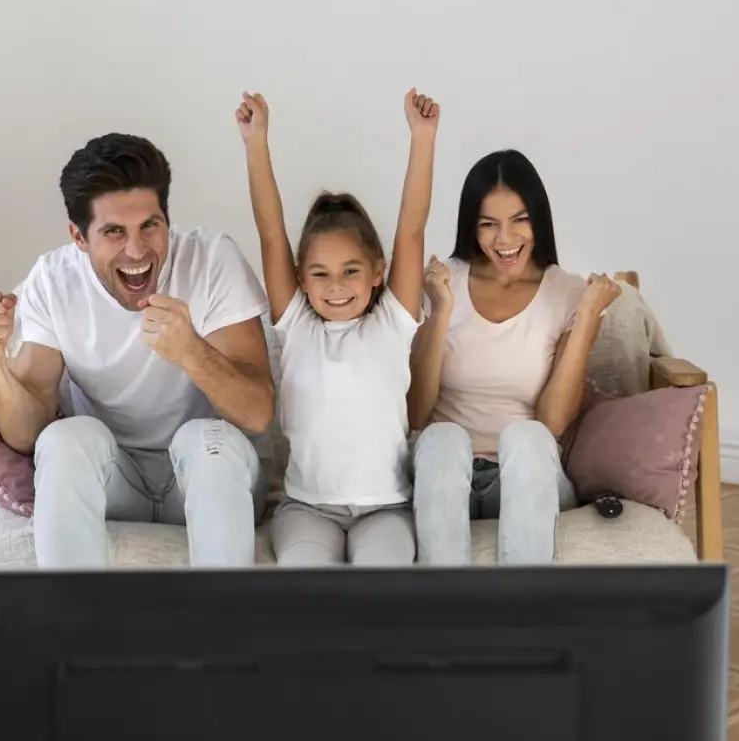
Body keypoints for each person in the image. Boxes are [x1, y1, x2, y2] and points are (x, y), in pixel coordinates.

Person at [0, 133, 275, 568]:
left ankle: (218, 629)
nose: (137, 250)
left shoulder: (211, 260)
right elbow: (27, 433)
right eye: (113, 232)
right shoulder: (54, 280)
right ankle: (78, 626)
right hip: (115, 481)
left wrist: (192, 353)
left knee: (208, 439)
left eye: (150, 225)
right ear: (79, 236)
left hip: (209, 476)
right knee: (64, 438)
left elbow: (258, 412)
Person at [234, 88, 439, 566]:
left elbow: (412, 228)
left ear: (378, 272)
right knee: (310, 591)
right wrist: (256, 142)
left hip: (386, 510)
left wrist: (423, 138)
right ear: (301, 280)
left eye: (351, 270)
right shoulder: (298, 326)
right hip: (308, 508)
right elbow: (270, 232)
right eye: (320, 274)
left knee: (377, 591)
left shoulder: (394, 321)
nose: (336, 286)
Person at [408, 149, 622, 565]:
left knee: (526, 438)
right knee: (440, 437)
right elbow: (415, 414)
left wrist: (588, 319)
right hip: (445, 476)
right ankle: (447, 611)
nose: (504, 241)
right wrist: (441, 313)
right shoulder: (442, 281)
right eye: (489, 225)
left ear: (539, 219)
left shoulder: (567, 292)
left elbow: (553, 423)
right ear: (472, 226)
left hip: (525, 479)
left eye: (519, 220)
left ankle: (522, 614)